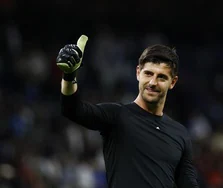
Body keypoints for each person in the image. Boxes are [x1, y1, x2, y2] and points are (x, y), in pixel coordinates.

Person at [56, 35, 199, 188]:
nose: (152, 82)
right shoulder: (117, 116)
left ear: (173, 82)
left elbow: (188, 183)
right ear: (138, 72)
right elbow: (72, 109)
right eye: (148, 73)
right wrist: (69, 75)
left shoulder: (180, 133)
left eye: (161, 77)